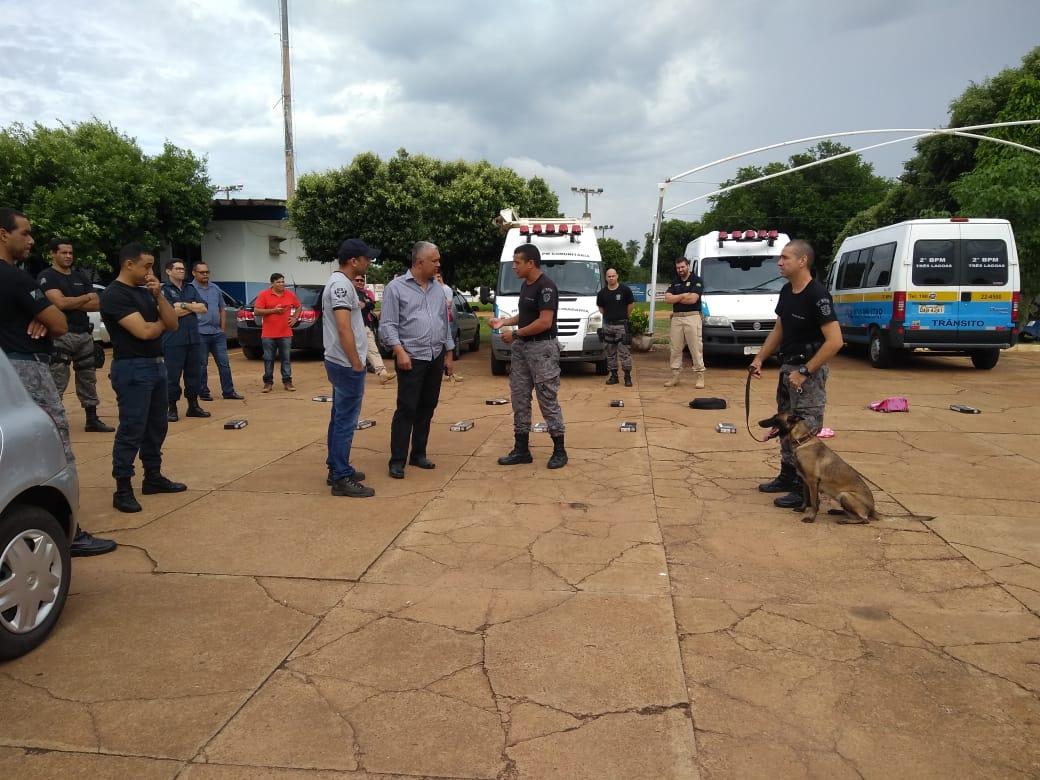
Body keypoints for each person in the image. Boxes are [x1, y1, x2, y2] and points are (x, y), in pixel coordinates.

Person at [0, 207, 115, 554]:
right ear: (3, 234)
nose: (30, 240)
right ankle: (69, 530)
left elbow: (63, 312)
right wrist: (46, 318)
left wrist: (45, 316)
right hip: (26, 371)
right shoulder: (16, 278)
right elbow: (61, 322)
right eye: (25, 232)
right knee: (52, 438)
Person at [749, 239, 843, 509]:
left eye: (785, 258)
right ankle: (788, 477)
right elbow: (779, 329)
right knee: (785, 426)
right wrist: (759, 358)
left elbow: (835, 341)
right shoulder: (787, 292)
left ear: (802, 261)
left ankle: (806, 491)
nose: (780, 262)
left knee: (805, 431)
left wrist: (806, 371)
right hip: (788, 369)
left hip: (807, 373)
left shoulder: (818, 295)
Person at [101, 242, 187, 513]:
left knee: (156, 425)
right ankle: (123, 487)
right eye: (146, 265)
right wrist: (165, 319)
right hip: (132, 367)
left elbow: (172, 324)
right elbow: (146, 332)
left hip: (156, 365)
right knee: (132, 427)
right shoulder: (115, 295)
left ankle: (153, 476)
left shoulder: (147, 291)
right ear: (129, 264)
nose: (151, 271)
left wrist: (159, 297)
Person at [379, 241, 455, 479]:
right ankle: (397, 460)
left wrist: (449, 353)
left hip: (435, 355)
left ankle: (418, 454)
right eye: (435, 260)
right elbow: (388, 325)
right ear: (420, 262)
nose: (438, 264)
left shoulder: (438, 289)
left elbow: (444, 322)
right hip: (411, 357)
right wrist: (399, 351)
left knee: (427, 407)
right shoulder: (396, 288)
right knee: (407, 408)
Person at [490, 243, 567, 470]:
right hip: (522, 349)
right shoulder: (526, 286)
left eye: (517, 262)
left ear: (530, 263)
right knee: (520, 398)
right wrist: (504, 321)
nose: (514, 267)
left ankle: (559, 450)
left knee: (547, 399)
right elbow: (525, 315)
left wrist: (514, 334)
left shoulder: (546, 287)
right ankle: (522, 449)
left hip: (542, 350)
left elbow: (544, 322)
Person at [36, 237, 114, 432]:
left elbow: (96, 303)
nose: (68, 256)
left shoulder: (80, 276)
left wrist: (75, 300)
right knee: (57, 379)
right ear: (53, 253)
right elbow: (59, 304)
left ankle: (92, 419)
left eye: (70, 253)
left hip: (83, 334)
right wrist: (84, 298)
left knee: (88, 377)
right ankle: (52, 422)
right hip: (61, 335)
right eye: (64, 252)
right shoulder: (47, 276)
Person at [323, 239, 378, 498]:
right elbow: (343, 326)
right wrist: (356, 362)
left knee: (340, 417)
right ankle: (341, 477)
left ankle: (337, 468)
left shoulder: (341, 284)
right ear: (353, 261)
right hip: (345, 363)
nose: (369, 262)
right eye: (366, 258)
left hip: (342, 361)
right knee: (346, 421)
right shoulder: (341, 287)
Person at [161, 259, 210, 422]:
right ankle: (172, 407)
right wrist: (191, 307)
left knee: (194, 374)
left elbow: (203, 308)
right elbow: (168, 312)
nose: (182, 271)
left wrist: (182, 305)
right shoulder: (164, 290)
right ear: (168, 271)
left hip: (193, 338)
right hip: (173, 339)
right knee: (172, 376)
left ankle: (193, 405)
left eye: (183, 268)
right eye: (178, 268)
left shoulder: (190, 288)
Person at [190, 261, 243, 401]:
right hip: (200, 333)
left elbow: (222, 309)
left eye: (207, 272)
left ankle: (228, 391)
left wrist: (222, 329)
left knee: (224, 364)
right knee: (202, 365)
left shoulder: (215, 288)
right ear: (194, 273)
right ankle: (203, 392)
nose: (205, 275)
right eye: (202, 272)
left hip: (217, 333)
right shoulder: (189, 289)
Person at [663, 257, 706, 388]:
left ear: (688, 266)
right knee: (675, 348)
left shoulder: (696, 280)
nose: (680, 270)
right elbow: (667, 298)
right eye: (678, 268)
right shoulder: (675, 281)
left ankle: (700, 376)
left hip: (692, 316)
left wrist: (677, 297)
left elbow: (693, 299)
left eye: (682, 267)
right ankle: (675, 376)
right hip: (676, 317)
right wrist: (683, 295)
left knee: (695, 348)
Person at [253, 273, 301, 392]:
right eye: (278, 282)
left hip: (285, 333)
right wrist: (274, 310)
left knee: (286, 359)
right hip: (268, 334)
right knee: (268, 358)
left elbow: (299, 306)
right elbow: (257, 311)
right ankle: (268, 383)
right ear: (272, 283)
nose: (281, 284)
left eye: (283, 281)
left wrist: (294, 318)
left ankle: (287, 382)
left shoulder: (289, 294)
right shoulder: (264, 295)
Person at [352, 273, 395, 384]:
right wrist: (365, 304)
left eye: (362, 280)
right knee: (353, 352)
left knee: (373, 350)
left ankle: (382, 373)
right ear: (352, 281)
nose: (360, 282)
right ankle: (352, 375)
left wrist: (365, 304)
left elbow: (371, 304)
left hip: (365, 326)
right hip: (352, 328)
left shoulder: (364, 294)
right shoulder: (349, 293)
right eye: (357, 280)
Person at [596, 267, 635, 387]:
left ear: (617, 276)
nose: (611, 278)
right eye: (609, 276)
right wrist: (609, 317)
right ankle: (614, 376)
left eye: (613, 276)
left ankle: (627, 377)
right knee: (610, 352)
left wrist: (624, 317)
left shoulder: (625, 290)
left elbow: (631, 305)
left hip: (621, 326)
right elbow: (601, 308)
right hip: (608, 326)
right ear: (606, 278)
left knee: (624, 353)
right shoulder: (602, 293)